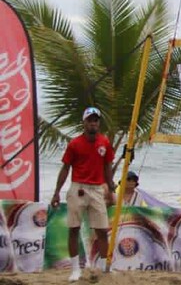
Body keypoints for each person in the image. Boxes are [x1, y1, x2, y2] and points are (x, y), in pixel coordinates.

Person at [50, 107, 116, 282]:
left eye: (96, 120)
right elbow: (65, 168)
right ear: (84, 122)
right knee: (74, 229)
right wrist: (56, 192)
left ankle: (104, 268)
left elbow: (107, 166)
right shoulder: (75, 144)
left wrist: (111, 189)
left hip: (97, 189)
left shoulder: (104, 142)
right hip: (78, 187)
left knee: (102, 230)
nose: (93, 123)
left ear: (98, 123)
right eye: (90, 120)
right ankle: (75, 270)